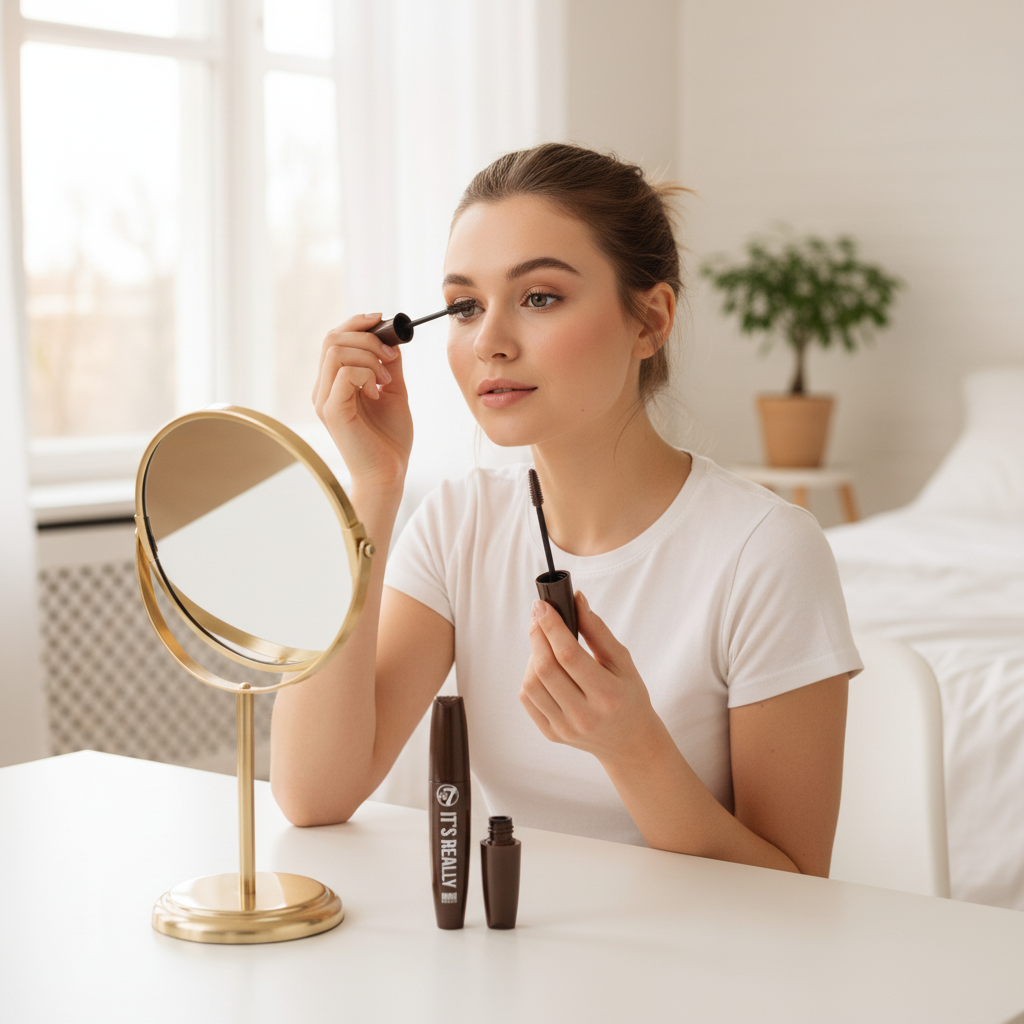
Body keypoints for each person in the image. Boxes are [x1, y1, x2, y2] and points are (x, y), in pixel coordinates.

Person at [271, 143, 862, 877]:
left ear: (650, 321)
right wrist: (370, 488)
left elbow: (797, 890)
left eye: (539, 297)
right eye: (463, 307)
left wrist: (633, 747)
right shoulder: (459, 527)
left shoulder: (765, 551)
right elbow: (312, 793)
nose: (489, 342)